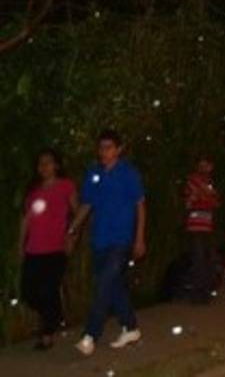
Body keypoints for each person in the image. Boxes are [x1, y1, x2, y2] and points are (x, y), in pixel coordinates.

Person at [68, 129, 146, 356]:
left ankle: (89, 335)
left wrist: (140, 237)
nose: (104, 152)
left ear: (119, 149)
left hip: (121, 240)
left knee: (104, 285)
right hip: (99, 240)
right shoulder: (94, 173)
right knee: (113, 287)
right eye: (101, 147)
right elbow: (86, 204)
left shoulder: (129, 173)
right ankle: (131, 328)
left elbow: (140, 205)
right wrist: (72, 229)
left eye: (109, 147)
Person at [17, 148, 77, 350]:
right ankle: (54, 316)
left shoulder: (66, 186)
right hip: (34, 249)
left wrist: (72, 236)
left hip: (55, 248)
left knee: (48, 290)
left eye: (48, 162)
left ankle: (47, 334)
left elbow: (77, 213)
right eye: (41, 163)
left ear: (56, 165)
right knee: (28, 292)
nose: (44, 166)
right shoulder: (33, 192)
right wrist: (20, 245)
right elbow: (26, 220)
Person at [183, 155, 220, 304]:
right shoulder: (193, 180)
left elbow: (215, 201)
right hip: (196, 224)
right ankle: (198, 294)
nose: (205, 168)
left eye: (207, 165)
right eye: (202, 164)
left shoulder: (209, 182)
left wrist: (203, 196)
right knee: (198, 259)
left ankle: (205, 293)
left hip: (207, 224)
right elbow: (189, 200)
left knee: (207, 260)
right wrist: (203, 196)